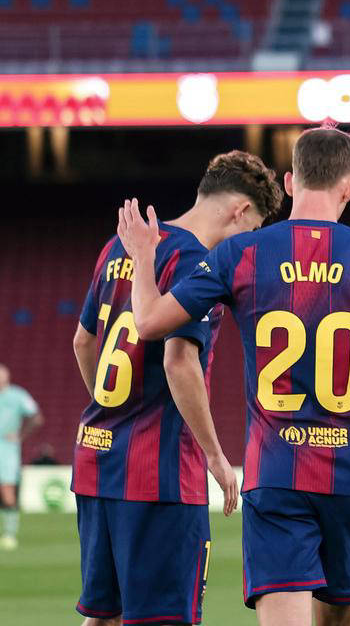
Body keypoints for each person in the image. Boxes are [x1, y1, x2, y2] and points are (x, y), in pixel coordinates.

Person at [117, 122, 350, 626]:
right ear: (349, 189)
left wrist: (144, 257)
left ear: (290, 182)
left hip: (275, 474)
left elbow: (148, 324)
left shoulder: (240, 254)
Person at [70, 151, 282, 625]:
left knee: (103, 615)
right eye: (252, 230)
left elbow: (83, 341)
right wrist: (214, 456)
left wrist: (115, 407)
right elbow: (179, 360)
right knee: (163, 617)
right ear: (241, 211)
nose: (248, 244)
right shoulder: (196, 263)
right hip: (158, 472)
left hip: (95, 458)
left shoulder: (120, 245)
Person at [0, 362, 43, 550]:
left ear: (6, 377)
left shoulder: (18, 395)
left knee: (7, 490)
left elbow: (37, 417)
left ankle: (10, 534)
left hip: (7, 449)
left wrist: (20, 436)